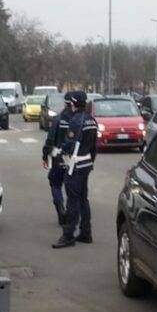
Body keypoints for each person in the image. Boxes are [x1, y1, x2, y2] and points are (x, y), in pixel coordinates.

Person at [52, 91, 97, 249]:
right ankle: (86, 232)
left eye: (70, 103)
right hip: (86, 164)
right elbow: (94, 147)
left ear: (73, 103)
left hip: (75, 165)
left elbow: (69, 144)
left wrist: (59, 153)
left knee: (72, 201)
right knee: (83, 199)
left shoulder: (76, 121)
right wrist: (91, 162)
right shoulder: (92, 120)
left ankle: (68, 235)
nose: (69, 105)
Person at [41, 92, 74, 225]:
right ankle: (72, 213)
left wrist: (45, 155)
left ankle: (60, 208)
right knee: (72, 187)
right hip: (75, 158)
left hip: (58, 157)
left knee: (55, 183)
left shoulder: (58, 119)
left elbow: (50, 140)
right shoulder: (80, 119)